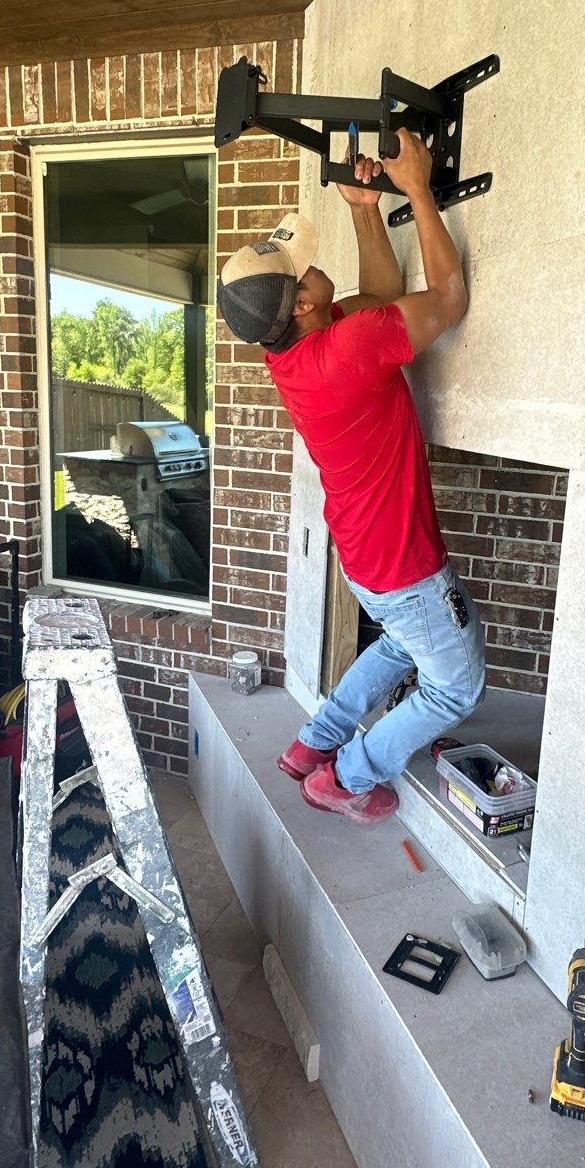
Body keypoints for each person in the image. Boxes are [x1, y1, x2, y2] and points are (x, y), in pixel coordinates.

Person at [215, 128, 486, 825]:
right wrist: (419, 189)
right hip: (401, 561)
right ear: (303, 306)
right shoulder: (344, 348)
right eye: (303, 271)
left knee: (401, 641)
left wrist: (366, 210)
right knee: (455, 686)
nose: (313, 270)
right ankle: (345, 776)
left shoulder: (299, 345)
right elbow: (447, 299)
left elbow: (382, 298)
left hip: (365, 555)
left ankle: (315, 740)